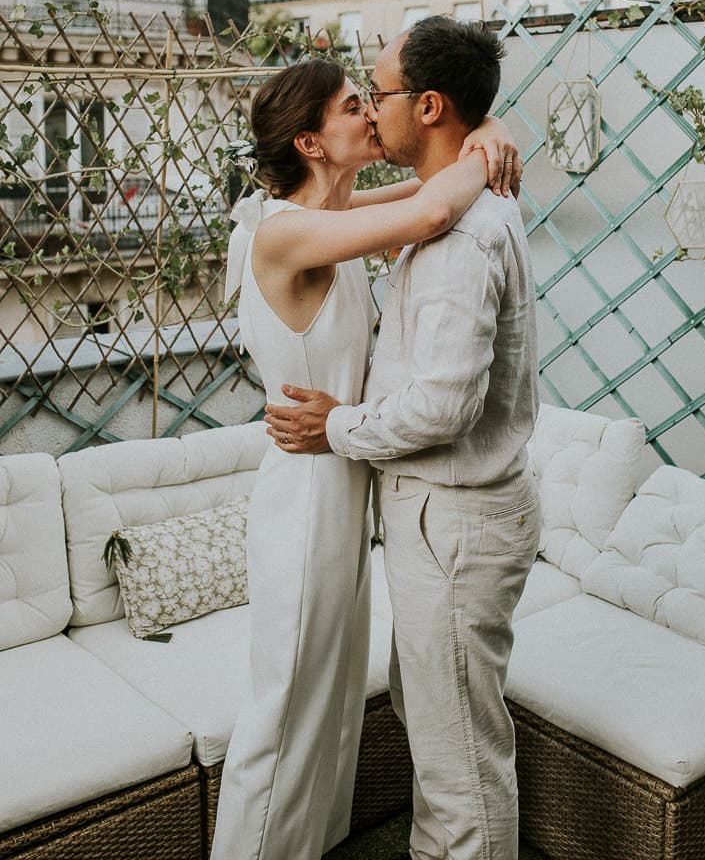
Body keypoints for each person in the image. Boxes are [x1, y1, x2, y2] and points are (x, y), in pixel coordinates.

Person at [211, 51, 521, 860]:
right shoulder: (288, 232)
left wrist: (484, 127)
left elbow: (430, 187)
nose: (368, 112)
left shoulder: (341, 220)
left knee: (333, 702)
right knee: (285, 708)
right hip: (307, 497)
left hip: (345, 487)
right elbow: (431, 212)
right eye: (353, 106)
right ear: (312, 144)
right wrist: (481, 139)